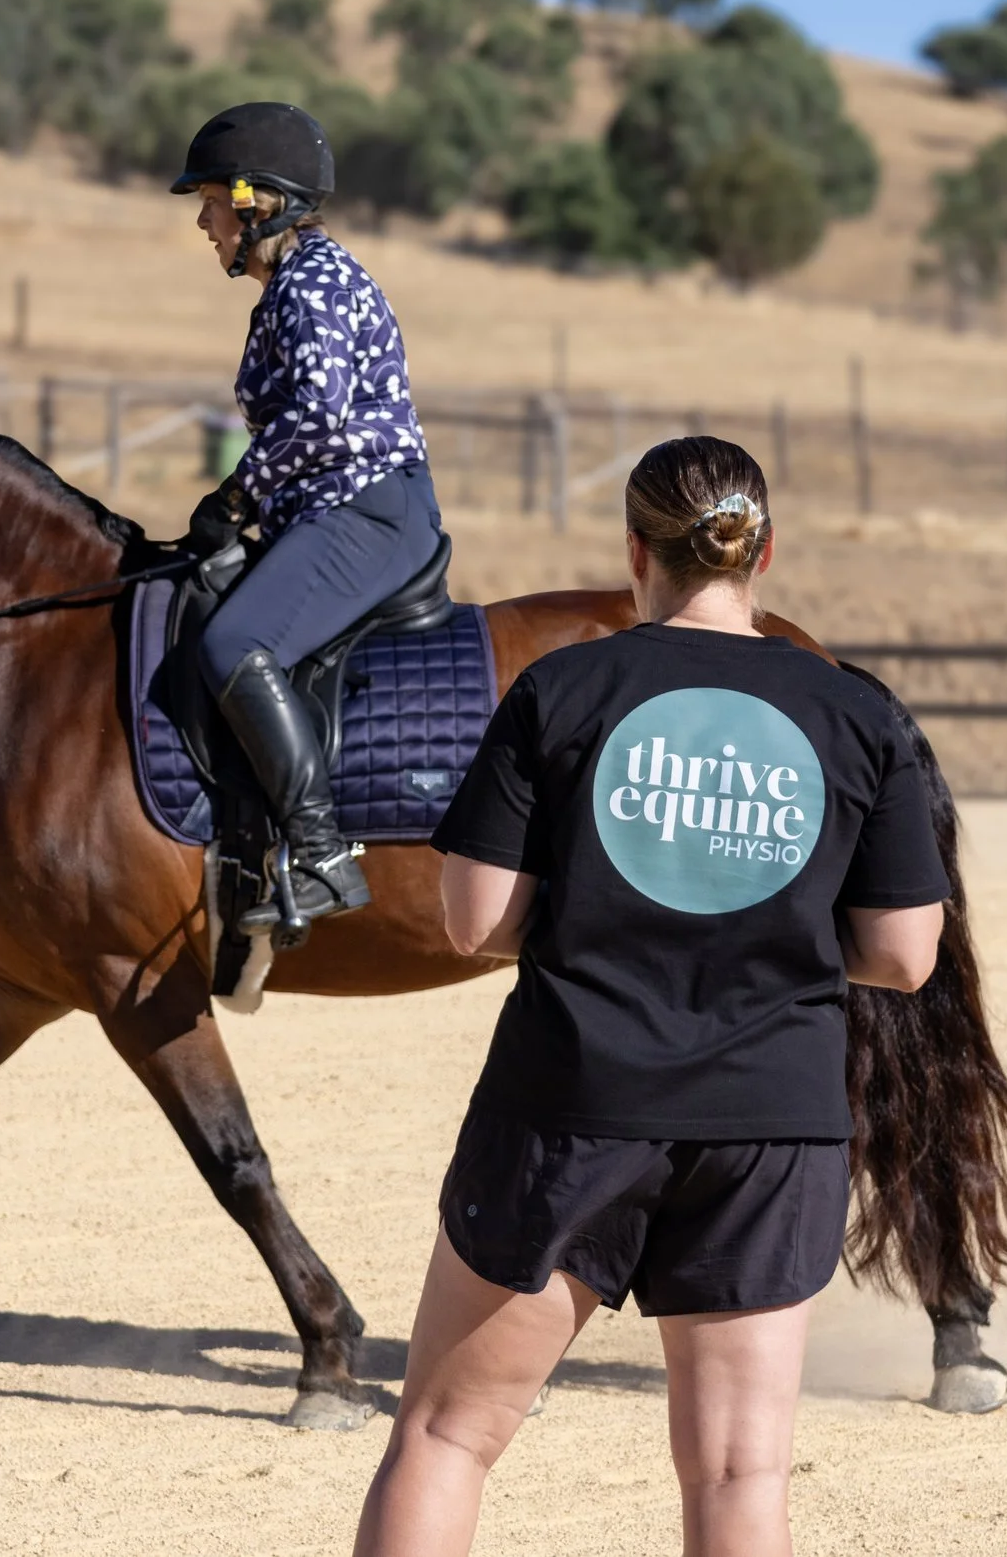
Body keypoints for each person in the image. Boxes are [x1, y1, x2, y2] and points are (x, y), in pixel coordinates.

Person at [354, 437, 951, 1557]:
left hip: (572, 1103)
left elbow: (474, 920)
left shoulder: (562, 688)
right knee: (738, 1472)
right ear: (763, 549)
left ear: (633, 549)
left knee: (443, 1435)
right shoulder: (855, 715)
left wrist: (604, 920)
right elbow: (906, 954)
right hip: (772, 1120)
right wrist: (754, 930)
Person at [171, 100, 444, 930]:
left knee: (234, 643)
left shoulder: (314, 282)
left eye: (213, 203)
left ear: (258, 199)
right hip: (335, 506)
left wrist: (234, 495)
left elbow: (321, 420)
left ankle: (321, 853)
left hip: (366, 506)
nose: (206, 222)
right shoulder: (295, 285)